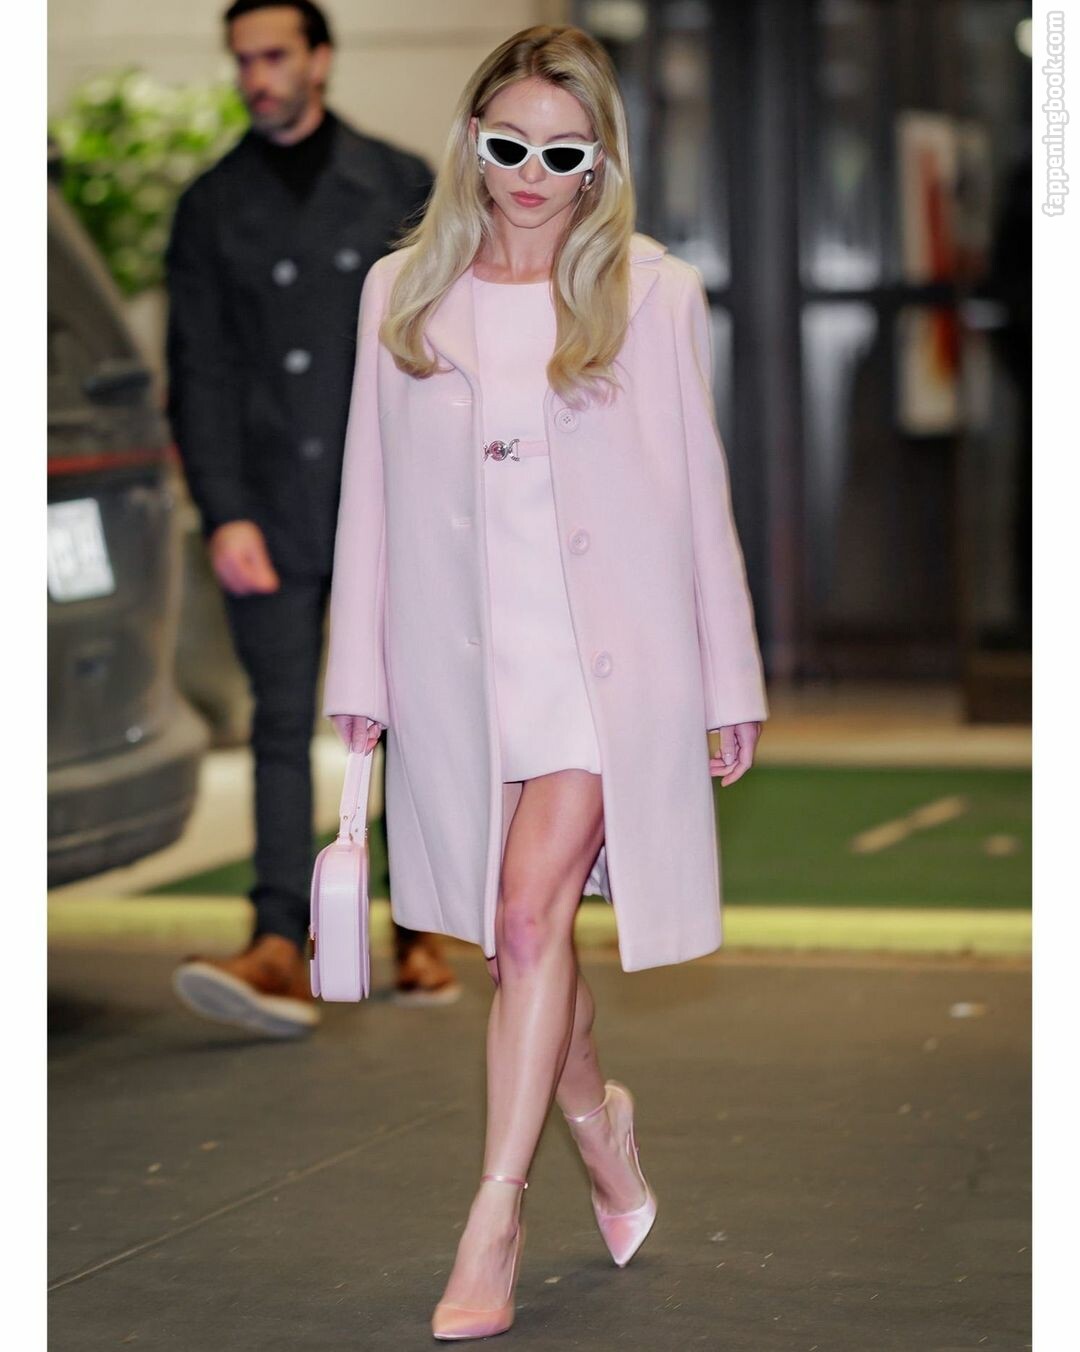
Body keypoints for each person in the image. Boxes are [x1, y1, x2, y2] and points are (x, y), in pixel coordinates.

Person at [323, 23, 768, 1340]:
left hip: (604, 669)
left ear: (600, 163)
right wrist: (360, 671)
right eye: (509, 144)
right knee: (523, 940)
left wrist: (727, 677)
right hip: (464, 668)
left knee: (525, 923)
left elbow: (699, 496)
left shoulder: (653, 292)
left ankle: (495, 1216)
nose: (532, 175)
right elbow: (366, 498)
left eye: (563, 154)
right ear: (472, 140)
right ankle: (599, 1125)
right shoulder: (401, 292)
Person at [166, 0, 461, 1038]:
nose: (257, 75)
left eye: (275, 55)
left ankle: (420, 925)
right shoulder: (210, 205)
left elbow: (443, 348)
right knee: (282, 719)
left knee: (410, 714)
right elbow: (198, 371)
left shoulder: (398, 182)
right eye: (243, 59)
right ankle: (278, 942)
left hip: (388, 494)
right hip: (269, 505)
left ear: (320, 59)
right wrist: (223, 512)